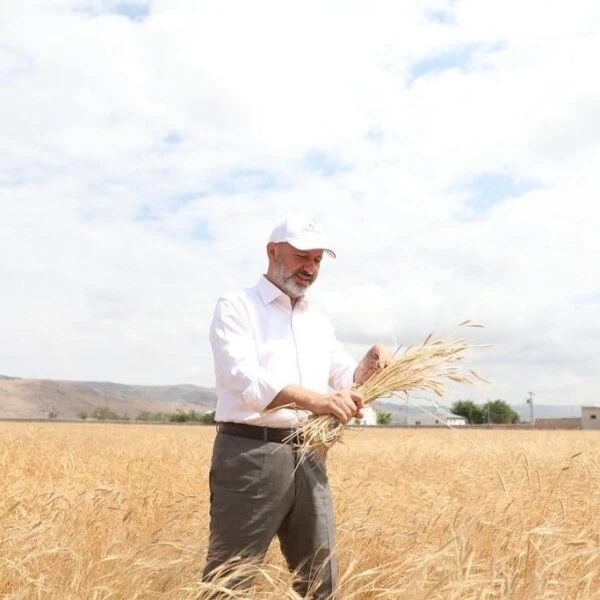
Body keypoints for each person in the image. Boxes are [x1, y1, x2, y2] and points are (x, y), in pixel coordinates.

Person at [203, 214, 392, 599]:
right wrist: (317, 400)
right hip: (252, 453)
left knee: (321, 580)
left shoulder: (317, 321)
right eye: (301, 256)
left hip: (310, 453)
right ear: (272, 252)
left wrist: (368, 367)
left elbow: (346, 380)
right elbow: (243, 378)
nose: (310, 268)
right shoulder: (237, 307)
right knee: (228, 582)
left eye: (318, 260)